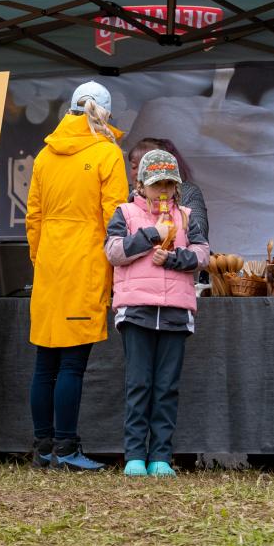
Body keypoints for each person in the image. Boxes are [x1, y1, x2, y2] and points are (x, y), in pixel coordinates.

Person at [24, 81, 127, 472]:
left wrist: (41, 257)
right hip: (86, 263)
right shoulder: (107, 153)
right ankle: (66, 449)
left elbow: (33, 217)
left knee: (45, 363)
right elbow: (115, 218)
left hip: (49, 264)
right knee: (71, 365)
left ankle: (43, 448)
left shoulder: (44, 154)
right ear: (105, 113)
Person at [105, 149, 208, 478]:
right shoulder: (125, 212)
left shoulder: (186, 216)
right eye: (156, 184)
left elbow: (203, 254)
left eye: (169, 184)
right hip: (137, 309)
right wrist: (151, 236)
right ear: (141, 185)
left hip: (176, 310)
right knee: (139, 384)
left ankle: (161, 455)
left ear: (177, 186)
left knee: (166, 387)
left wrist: (176, 258)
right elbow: (113, 251)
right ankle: (135, 454)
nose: (163, 190)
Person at [126, 137, 209, 240]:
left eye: (147, 166)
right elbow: (116, 240)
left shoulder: (188, 193)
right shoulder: (125, 193)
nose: (139, 172)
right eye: (134, 167)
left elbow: (200, 233)